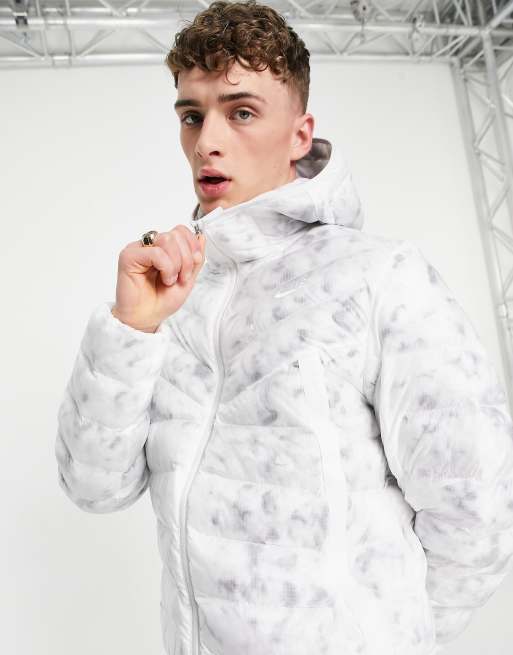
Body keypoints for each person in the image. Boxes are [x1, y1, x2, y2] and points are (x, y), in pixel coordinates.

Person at [54, 2, 513, 654]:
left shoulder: (377, 276)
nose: (206, 141)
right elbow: (94, 488)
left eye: (241, 112)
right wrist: (133, 327)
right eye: (192, 116)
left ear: (300, 135)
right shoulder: (172, 292)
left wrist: (378, 637)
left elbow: (478, 511)